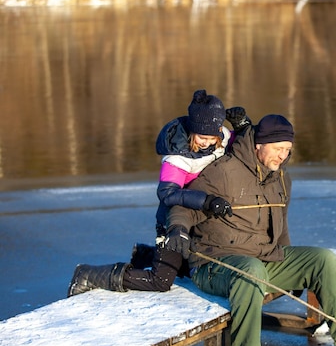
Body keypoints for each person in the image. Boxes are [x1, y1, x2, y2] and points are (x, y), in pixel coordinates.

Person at [164, 114, 336, 346]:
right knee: (251, 270)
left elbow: (280, 227)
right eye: (278, 149)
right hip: (216, 264)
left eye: (287, 150)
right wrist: (177, 229)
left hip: (262, 259)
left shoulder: (281, 179)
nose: (283, 156)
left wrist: (287, 262)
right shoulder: (223, 171)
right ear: (259, 145)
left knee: (322, 259)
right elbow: (182, 206)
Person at [67, 90, 251, 296]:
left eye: (212, 137)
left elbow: (244, 150)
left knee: (190, 265)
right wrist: (206, 200)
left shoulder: (222, 137)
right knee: (161, 280)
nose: (207, 142)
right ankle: (88, 274)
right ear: (192, 131)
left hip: (200, 217)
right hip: (173, 220)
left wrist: (243, 124)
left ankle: (146, 256)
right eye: (202, 137)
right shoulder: (177, 158)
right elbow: (167, 193)